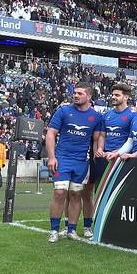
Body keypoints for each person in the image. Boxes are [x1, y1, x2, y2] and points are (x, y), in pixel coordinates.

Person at [46, 82, 103, 242]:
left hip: (81, 162)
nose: (76, 95)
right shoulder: (63, 111)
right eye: (75, 93)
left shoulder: (96, 117)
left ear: (89, 96)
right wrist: (52, 157)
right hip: (62, 159)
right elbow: (51, 134)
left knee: (76, 194)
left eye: (80, 93)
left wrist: (98, 151)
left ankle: (71, 230)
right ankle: (54, 230)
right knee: (59, 192)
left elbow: (97, 139)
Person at [88, 84, 136, 239]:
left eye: (117, 95)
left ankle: (119, 228)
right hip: (105, 158)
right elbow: (102, 135)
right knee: (100, 192)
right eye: (113, 95)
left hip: (121, 159)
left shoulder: (132, 116)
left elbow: (132, 139)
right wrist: (100, 148)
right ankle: (98, 227)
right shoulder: (107, 115)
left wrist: (119, 152)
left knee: (120, 193)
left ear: (126, 97)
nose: (113, 97)